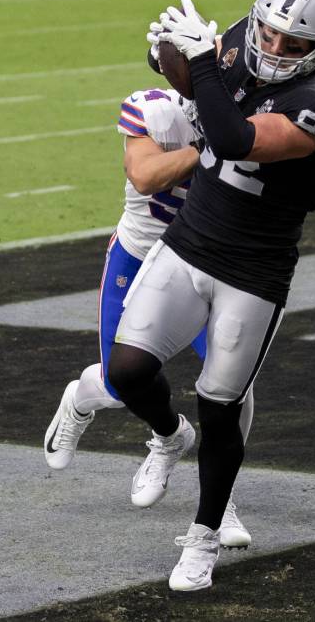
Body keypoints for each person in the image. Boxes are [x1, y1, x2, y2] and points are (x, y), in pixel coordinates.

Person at [106, 0, 315, 592]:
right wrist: (172, 53)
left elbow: (235, 135)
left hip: (252, 269)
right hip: (190, 241)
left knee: (220, 408)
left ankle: (205, 536)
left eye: (293, 43)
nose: (273, 46)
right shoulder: (240, 41)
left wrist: (205, 64)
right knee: (127, 371)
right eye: (268, 30)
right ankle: (166, 434)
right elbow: (192, 90)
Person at [43, 87, 254, 548]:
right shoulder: (155, 106)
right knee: (122, 383)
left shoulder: (247, 105)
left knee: (231, 384)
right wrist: (211, 147)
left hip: (206, 261)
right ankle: (143, 424)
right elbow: (144, 175)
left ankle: (222, 502)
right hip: (140, 254)